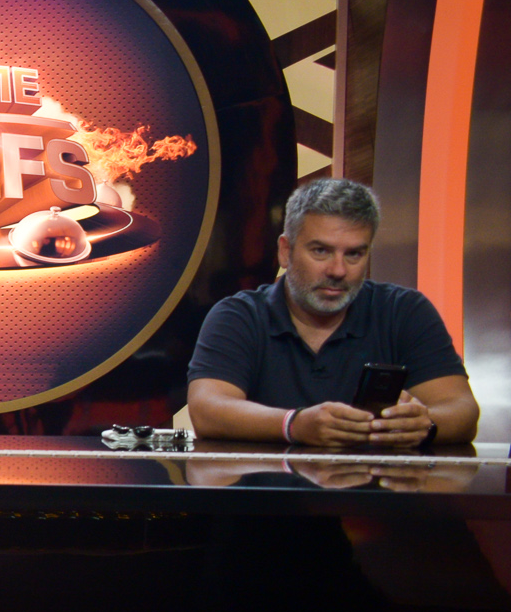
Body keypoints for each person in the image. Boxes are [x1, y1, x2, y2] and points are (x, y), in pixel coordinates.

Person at [186, 178, 478, 448]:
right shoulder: (238, 316)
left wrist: (424, 424)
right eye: (321, 251)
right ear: (285, 251)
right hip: (264, 487)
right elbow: (207, 410)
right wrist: (294, 425)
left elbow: (462, 410)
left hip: (376, 488)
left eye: (354, 254)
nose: (338, 271)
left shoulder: (405, 311)